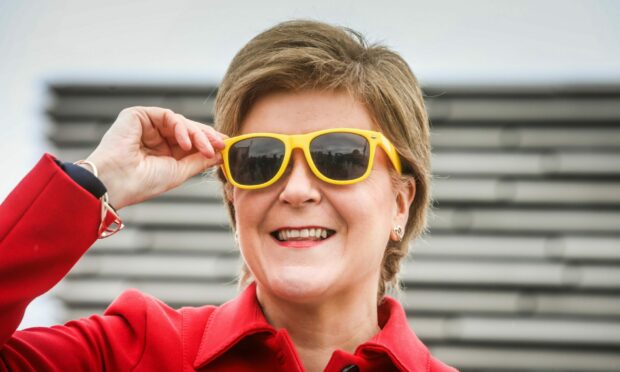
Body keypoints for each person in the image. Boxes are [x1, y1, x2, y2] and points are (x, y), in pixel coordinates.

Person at [0, 20, 456, 371]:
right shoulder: (129, 353)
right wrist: (96, 181)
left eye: (338, 157)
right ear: (233, 199)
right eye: (260, 160)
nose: (296, 190)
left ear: (402, 202)